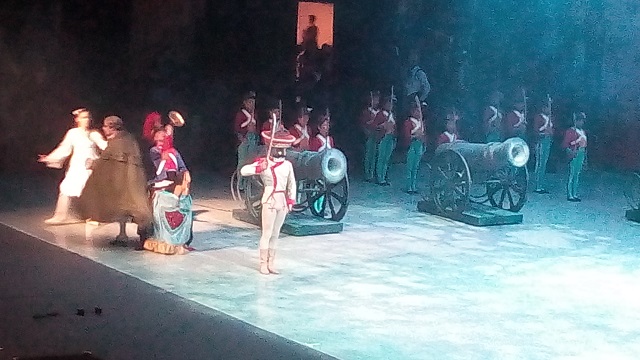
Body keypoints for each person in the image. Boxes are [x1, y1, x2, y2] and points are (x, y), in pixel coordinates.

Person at [79, 116, 152, 249]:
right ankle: (122, 235)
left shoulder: (119, 142)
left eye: (106, 126)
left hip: (130, 182)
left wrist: (93, 163)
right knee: (122, 208)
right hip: (123, 181)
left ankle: (144, 238)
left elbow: (106, 160)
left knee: (137, 208)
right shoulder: (124, 139)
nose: (103, 128)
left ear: (113, 127)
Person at [240, 130, 297, 275]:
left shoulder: (287, 165)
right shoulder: (264, 163)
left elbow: (292, 184)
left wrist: (291, 200)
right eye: (278, 149)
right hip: (269, 200)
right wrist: (259, 167)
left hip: (282, 201)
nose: (281, 152)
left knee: (276, 234)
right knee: (267, 233)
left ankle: (271, 263)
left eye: (283, 149)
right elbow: (244, 171)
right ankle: (263, 263)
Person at [38, 108, 107, 224]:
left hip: (89, 167)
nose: (87, 120)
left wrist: (99, 160)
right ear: (77, 119)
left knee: (90, 191)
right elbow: (64, 148)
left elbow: (105, 147)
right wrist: (49, 158)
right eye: (84, 117)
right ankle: (60, 216)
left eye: (88, 117)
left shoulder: (94, 134)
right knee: (65, 188)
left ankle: (93, 217)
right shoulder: (73, 133)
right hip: (76, 166)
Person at [143, 128, 194, 255]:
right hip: (159, 184)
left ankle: (183, 239)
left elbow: (182, 167)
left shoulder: (174, 152)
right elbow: (161, 169)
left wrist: (185, 175)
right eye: (158, 140)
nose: (160, 142)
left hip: (174, 183)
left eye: (163, 140)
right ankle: (153, 236)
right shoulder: (154, 151)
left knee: (184, 207)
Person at [234, 91, 259, 190]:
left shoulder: (255, 114)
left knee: (251, 162)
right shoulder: (241, 114)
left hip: (253, 139)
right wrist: (242, 139)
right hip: (244, 139)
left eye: (253, 102)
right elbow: (237, 128)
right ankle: (240, 184)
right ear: (245, 103)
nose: (252, 104)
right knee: (242, 162)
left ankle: (249, 184)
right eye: (249, 102)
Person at [562, 112, 587, 202]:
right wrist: (571, 151)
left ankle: (575, 193)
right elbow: (566, 144)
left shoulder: (583, 132)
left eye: (582, 121)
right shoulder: (571, 131)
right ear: (576, 121)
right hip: (574, 153)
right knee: (572, 174)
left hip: (581, 153)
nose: (581, 123)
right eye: (580, 120)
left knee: (577, 174)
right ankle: (570, 194)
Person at [402, 101, 426, 194]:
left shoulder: (421, 123)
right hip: (412, 145)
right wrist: (416, 136)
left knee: (416, 167)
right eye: (416, 110)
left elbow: (424, 136)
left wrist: (424, 143)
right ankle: (408, 186)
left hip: (419, 145)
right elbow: (406, 135)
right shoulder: (408, 122)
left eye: (419, 111)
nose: (418, 112)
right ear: (412, 111)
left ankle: (414, 185)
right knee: (410, 167)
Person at [372, 94, 397, 186]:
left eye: (392, 103)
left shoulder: (392, 115)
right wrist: (382, 125)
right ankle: (379, 177)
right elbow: (375, 126)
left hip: (390, 138)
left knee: (387, 159)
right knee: (381, 158)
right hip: (383, 138)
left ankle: (384, 176)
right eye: (389, 102)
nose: (390, 105)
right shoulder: (380, 114)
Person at [533, 100, 554, 194]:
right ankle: (537, 185)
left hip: (548, 141)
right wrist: (544, 132)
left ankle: (541, 185)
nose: (549, 110)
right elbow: (536, 131)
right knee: (540, 163)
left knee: (544, 163)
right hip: (541, 141)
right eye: (547, 108)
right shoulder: (539, 117)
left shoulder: (549, 118)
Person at [360, 91, 380, 182]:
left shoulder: (379, 112)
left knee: (375, 155)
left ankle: (373, 172)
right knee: (368, 155)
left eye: (377, 99)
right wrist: (366, 131)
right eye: (374, 99)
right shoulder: (366, 111)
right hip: (369, 135)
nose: (376, 101)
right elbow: (362, 124)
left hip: (377, 135)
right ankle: (367, 174)